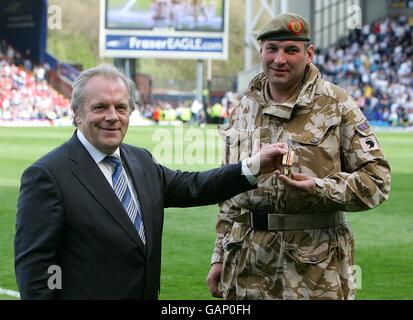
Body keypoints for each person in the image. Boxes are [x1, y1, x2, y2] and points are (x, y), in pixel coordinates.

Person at [14, 63, 288, 300]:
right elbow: (36, 270)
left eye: (121, 107)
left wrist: (253, 166)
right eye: (100, 107)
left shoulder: (140, 160)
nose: (112, 116)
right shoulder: (47, 176)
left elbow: (194, 186)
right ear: (77, 114)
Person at [206, 12, 391, 300]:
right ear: (261, 52)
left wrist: (321, 188)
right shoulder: (244, 107)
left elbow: (378, 180)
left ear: (309, 53)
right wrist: (218, 255)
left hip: (314, 271)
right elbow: (230, 192)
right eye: (272, 49)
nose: (280, 59)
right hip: (246, 265)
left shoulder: (336, 104)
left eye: (291, 50)